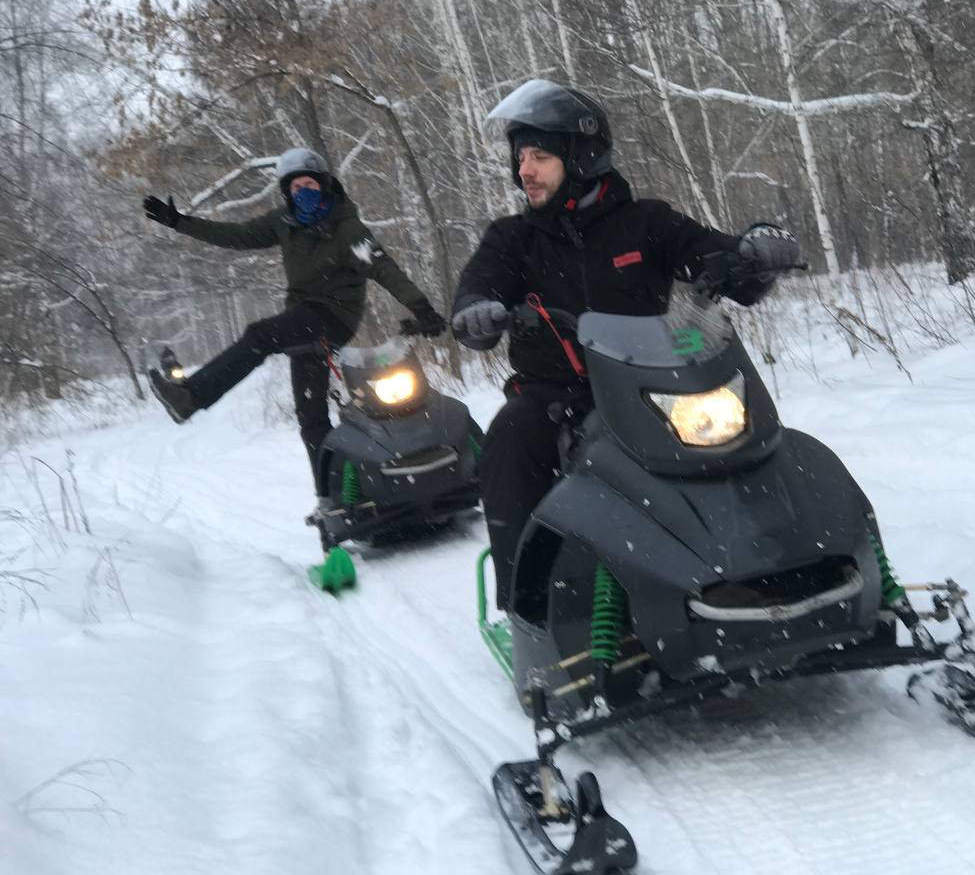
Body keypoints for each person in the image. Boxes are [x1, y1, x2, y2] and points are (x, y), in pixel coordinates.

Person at [451, 80, 802, 610]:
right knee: (509, 437)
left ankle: (778, 557)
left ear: (582, 154)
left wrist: (755, 253)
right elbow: (480, 284)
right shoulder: (512, 238)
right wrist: (476, 309)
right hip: (558, 399)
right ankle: (528, 600)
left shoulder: (647, 224)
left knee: (746, 436)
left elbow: (721, 262)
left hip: (654, 388)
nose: (524, 170)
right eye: (521, 157)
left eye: (540, 155)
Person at [142, 148, 446, 505]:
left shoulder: (346, 229)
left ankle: (191, 396)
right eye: (296, 186)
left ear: (326, 186)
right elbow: (235, 235)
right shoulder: (284, 223)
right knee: (311, 418)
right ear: (286, 193)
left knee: (261, 335)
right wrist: (180, 222)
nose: (304, 191)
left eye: (311, 184)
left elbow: (382, 267)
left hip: (333, 318)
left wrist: (420, 307)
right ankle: (333, 501)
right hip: (302, 322)